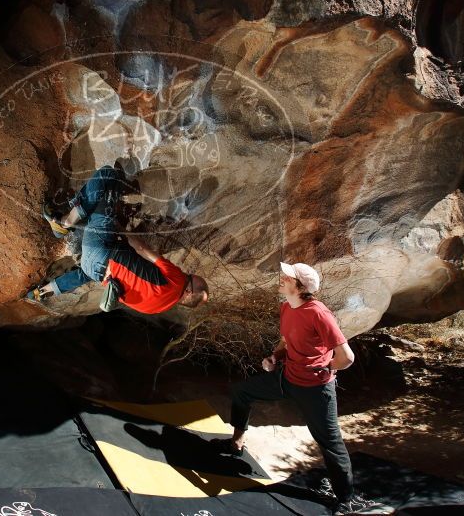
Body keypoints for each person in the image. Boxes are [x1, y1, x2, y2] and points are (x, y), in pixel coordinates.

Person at [212, 262, 380, 515]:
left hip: (316, 390)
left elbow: (347, 357)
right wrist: (275, 358)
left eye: (287, 277)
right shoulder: (287, 307)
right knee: (242, 392)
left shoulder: (319, 313)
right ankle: (236, 443)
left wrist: (326, 369)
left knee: (330, 442)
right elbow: (286, 342)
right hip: (287, 378)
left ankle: (346, 499)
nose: (281, 278)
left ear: (300, 286)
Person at [26, 163, 209, 314]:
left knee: (109, 176)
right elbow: (121, 283)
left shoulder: (178, 281)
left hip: (101, 249)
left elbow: (142, 250)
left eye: (190, 277)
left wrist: (120, 228)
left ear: (188, 291)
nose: (187, 274)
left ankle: (64, 222)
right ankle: (42, 292)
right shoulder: (155, 308)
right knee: (87, 274)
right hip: (95, 269)